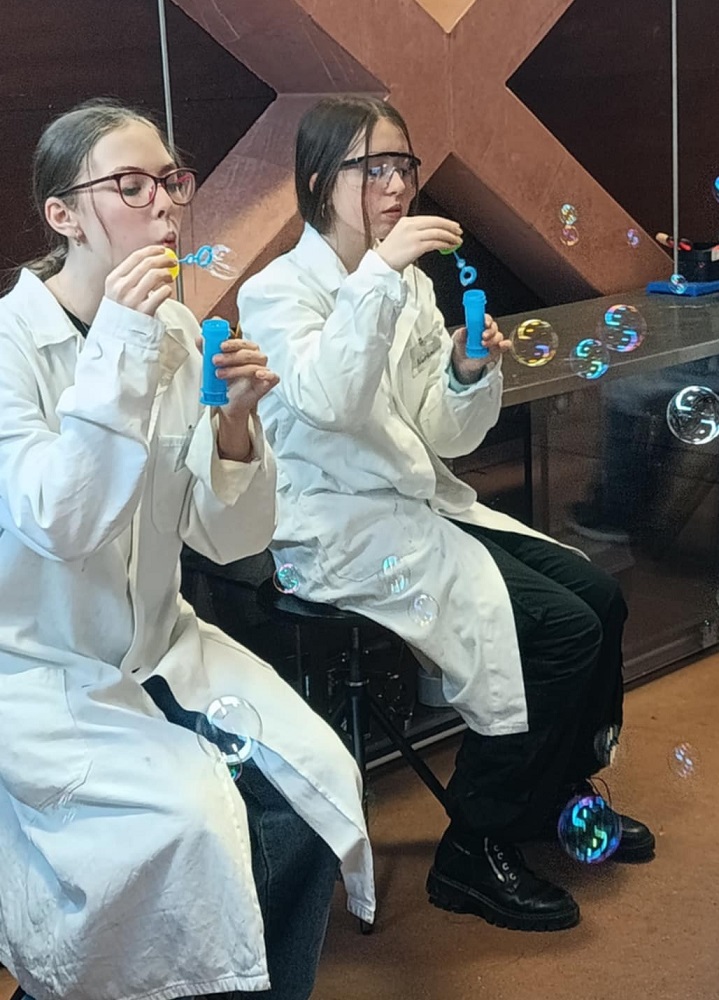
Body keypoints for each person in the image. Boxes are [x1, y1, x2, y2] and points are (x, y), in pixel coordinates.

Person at [238, 95, 656, 934]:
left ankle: (552, 797)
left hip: (418, 504)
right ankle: (474, 845)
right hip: (340, 528)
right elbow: (327, 402)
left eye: (404, 166)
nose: (397, 186)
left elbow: (444, 434)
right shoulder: (276, 292)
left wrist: (465, 373)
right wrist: (377, 277)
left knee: (598, 597)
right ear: (319, 181)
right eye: (373, 169)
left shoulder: (409, 286)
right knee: (556, 630)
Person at [0, 98, 373, 1000]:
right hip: (43, 672)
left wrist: (235, 427)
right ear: (63, 215)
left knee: (317, 784)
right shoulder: (12, 348)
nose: (166, 204)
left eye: (171, 180)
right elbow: (61, 522)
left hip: (164, 644)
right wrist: (125, 344)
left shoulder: (171, 330)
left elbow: (229, 536)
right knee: (193, 825)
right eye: (131, 185)